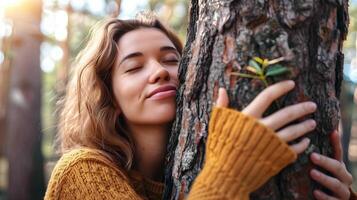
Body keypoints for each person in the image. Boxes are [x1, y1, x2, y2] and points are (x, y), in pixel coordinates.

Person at [44, 15, 353, 200]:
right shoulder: (81, 173)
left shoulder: (185, 172)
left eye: (170, 59)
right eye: (134, 67)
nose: (160, 72)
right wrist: (230, 172)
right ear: (108, 96)